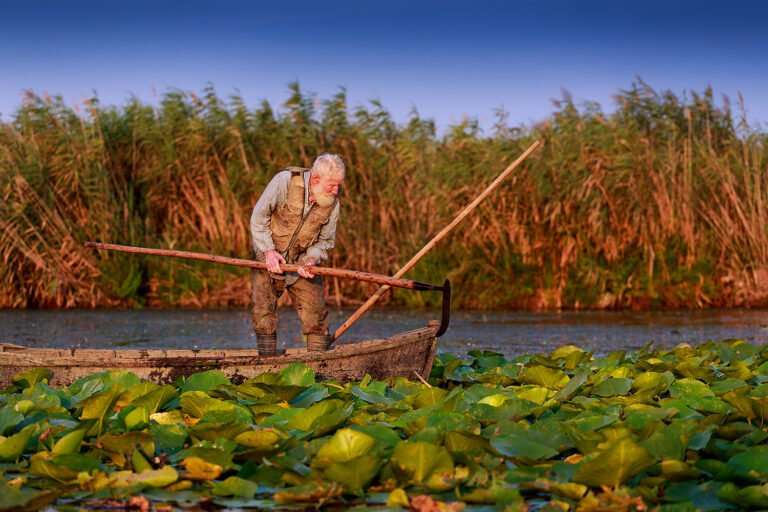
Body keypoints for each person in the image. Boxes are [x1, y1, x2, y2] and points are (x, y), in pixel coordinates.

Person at [249, 153, 345, 356]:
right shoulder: (284, 181)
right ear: (316, 179)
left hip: (303, 261)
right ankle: (266, 364)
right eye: (332, 185)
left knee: (316, 316)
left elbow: (325, 240)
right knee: (263, 313)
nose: (336, 190)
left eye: (338, 185)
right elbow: (259, 217)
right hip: (267, 256)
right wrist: (268, 252)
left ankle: (319, 363)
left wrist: (312, 259)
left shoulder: (333, 202)